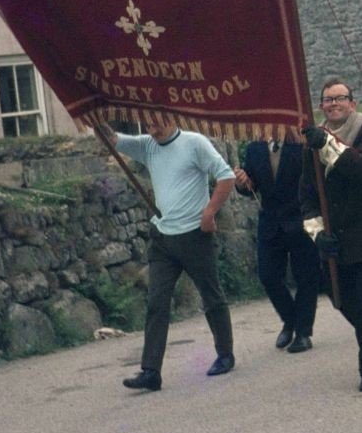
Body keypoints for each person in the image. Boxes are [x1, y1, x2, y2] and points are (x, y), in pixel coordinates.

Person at [114, 116, 237, 392]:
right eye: (148, 126)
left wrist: (209, 212)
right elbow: (112, 140)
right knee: (157, 302)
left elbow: (226, 176)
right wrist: (91, 115)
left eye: (158, 124)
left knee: (211, 295)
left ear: (172, 119)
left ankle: (225, 353)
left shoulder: (195, 143)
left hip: (195, 234)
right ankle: (151, 371)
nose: (153, 131)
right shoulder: (147, 145)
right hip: (163, 238)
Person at [300, 78, 362, 392]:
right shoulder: (312, 140)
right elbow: (307, 195)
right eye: (328, 100)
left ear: (352, 103)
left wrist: (326, 144)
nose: (333, 104)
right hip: (335, 237)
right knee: (340, 298)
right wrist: (316, 233)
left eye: (340, 98)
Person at [234, 139, 319, 353]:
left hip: (301, 219)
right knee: (268, 276)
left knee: (306, 277)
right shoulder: (254, 148)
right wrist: (242, 182)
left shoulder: (302, 146)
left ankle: (303, 332)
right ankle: (290, 320)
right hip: (270, 222)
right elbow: (250, 186)